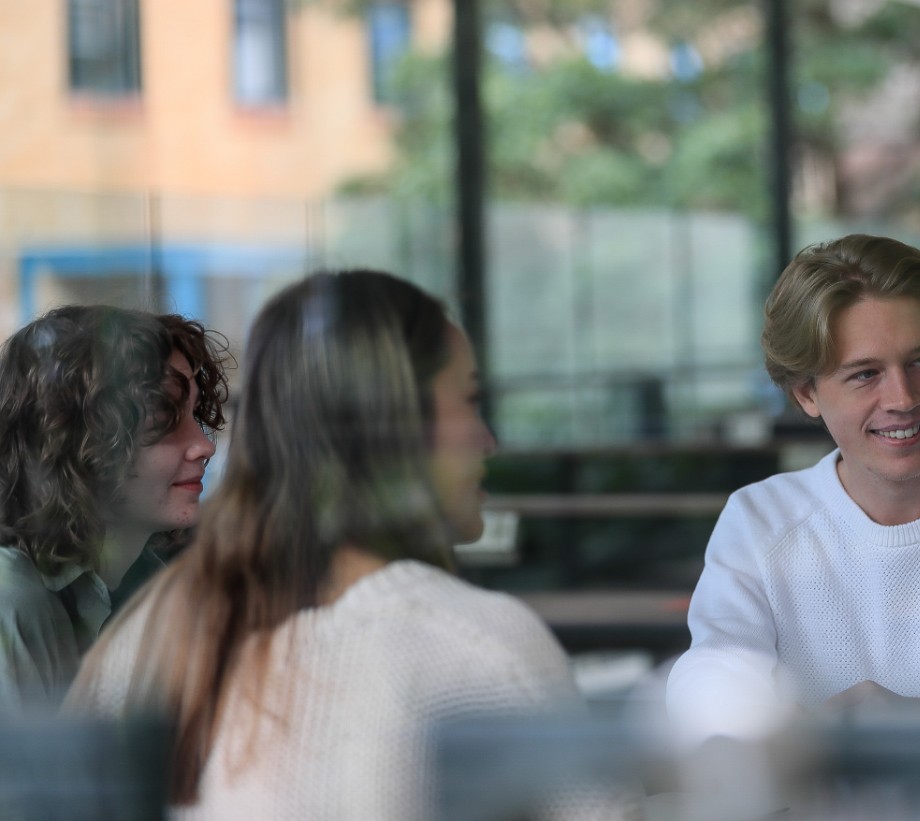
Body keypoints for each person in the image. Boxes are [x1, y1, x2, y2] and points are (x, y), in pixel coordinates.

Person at [69, 271, 631, 820]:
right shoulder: (474, 646)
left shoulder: (141, 641)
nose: (488, 439)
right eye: (468, 399)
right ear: (396, 422)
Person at [665, 233, 920, 743]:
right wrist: (737, 718)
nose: (903, 398)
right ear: (805, 394)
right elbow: (714, 666)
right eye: (865, 374)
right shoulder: (761, 520)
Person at [0, 305, 229, 710]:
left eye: (193, 414)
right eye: (165, 419)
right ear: (77, 441)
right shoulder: (12, 602)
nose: (205, 445)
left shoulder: (150, 584)